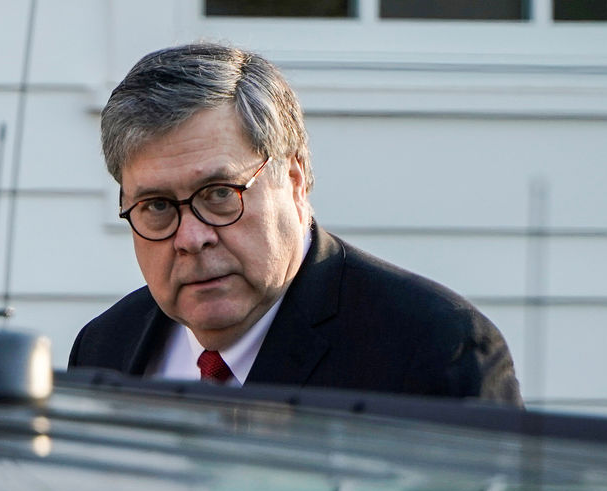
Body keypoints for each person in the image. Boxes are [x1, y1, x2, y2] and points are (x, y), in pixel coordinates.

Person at [68, 42, 522, 405]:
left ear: (295, 179)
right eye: (157, 206)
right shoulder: (103, 347)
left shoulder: (435, 350)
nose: (191, 238)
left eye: (221, 194)